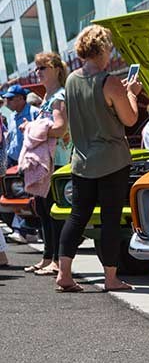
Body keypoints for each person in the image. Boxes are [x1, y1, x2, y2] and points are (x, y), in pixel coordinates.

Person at [55, 24, 142, 293]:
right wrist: (132, 93)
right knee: (110, 218)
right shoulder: (110, 81)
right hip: (111, 160)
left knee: (77, 216)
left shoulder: (71, 80)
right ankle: (111, 278)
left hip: (81, 159)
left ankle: (64, 274)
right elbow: (130, 119)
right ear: (103, 49)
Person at [24, 52, 70, 275]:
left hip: (57, 161)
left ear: (56, 69)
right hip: (48, 162)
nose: (38, 72)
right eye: (37, 68)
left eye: (42, 68)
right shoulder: (48, 96)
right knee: (43, 210)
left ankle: (57, 261)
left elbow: (61, 128)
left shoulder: (59, 95)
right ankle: (48, 257)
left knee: (53, 212)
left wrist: (33, 129)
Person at [1, 84, 40, 244]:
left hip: (29, 161)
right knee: (16, 197)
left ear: (20, 98)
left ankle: (26, 229)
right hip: (13, 161)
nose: (7, 102)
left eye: (10, 99)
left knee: (30, 197)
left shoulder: (34, 113)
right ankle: (25, 229)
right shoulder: (11, 116)